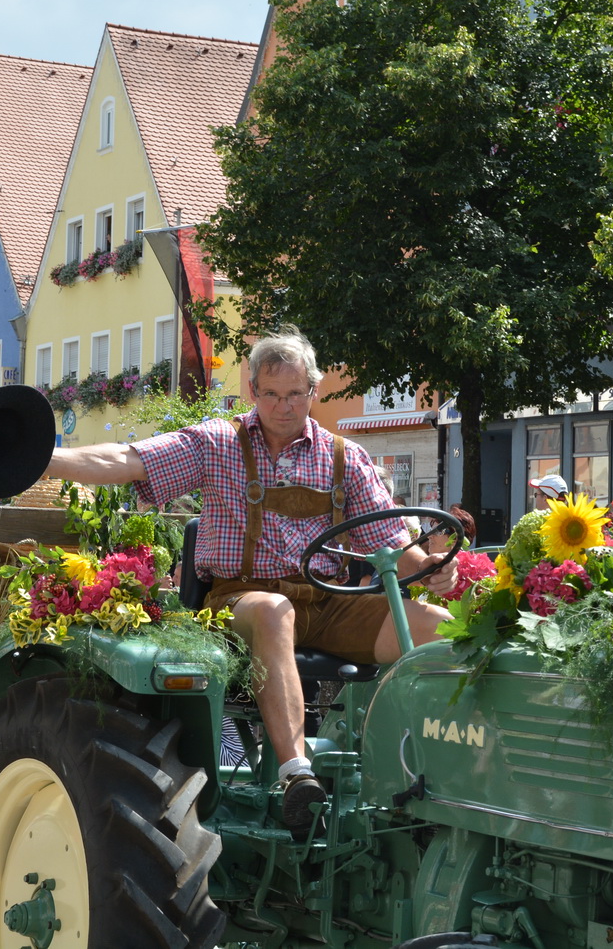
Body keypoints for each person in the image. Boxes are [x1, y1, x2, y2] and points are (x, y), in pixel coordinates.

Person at [37, 329, 452, 838]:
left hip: (329, 603)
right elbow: (128, 461)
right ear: (253, 391)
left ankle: (430, 773)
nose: (284, 406)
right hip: (238, 602)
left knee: (439, 628)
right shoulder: (217, 443)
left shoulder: (346, 459)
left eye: (296, 393)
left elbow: (395, 548)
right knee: (274, 610)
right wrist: (44, 459)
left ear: (313, 391)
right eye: (272, 394)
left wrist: (439, 573)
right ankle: (297, 774)